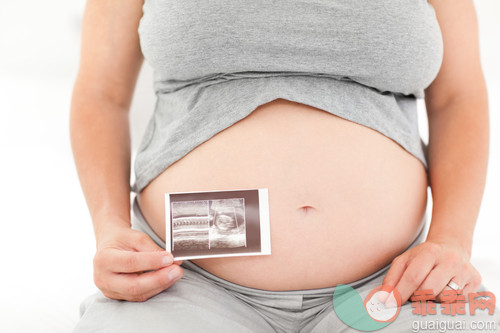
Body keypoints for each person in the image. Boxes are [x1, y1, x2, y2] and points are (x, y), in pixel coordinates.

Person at [70, 0, 500, 332]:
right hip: (183, 281)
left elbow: (457, 98)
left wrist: (451, 241)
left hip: (394, 285)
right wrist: (110, 228)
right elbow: (100, 94)